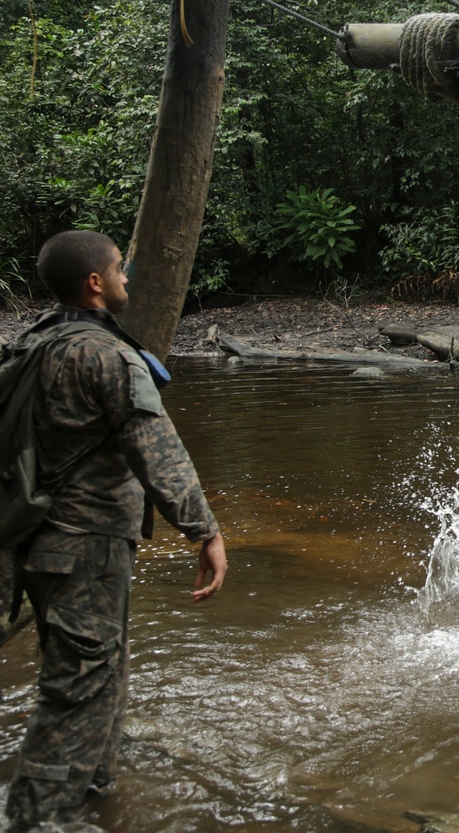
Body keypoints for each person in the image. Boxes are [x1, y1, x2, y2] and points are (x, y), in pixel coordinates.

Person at [5, 230, 228, 830]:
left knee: (98, 671)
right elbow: (155, 448)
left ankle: (94, 791)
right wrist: (203, 530)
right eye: (119, 270)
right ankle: (35, 818)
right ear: (96, 283)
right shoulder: (106, 354)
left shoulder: (33, 344)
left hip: (38, 540)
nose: (127, 277)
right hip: (82, 542)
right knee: (77, 685)